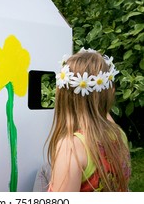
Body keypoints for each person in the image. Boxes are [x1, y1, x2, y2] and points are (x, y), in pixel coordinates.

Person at [45, 48, 131, 192]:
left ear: (62, 94)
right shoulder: (118, 134)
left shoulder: (71, 147)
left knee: (43, 172)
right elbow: (101, 112)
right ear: (110, 91)